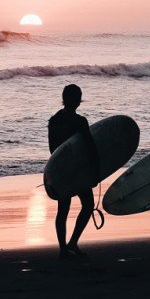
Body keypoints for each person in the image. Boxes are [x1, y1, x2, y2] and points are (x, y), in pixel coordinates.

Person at [47, 83, 100, 258]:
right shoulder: (79, 121)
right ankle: (73, 242)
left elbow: (52, 150)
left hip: (61, 170)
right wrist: (96, 170)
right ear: (78, 101)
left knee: (63, 209)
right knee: (88, 205)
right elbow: (90, 147)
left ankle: (63, 248)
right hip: (78, 170)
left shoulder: (54, 120)